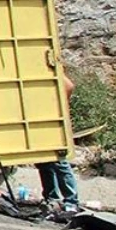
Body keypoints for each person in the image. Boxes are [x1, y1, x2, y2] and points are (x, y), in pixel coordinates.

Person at [38, 73, 80, 213]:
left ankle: (71, 201)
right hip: (43, 123)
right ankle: (52, 198)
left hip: (54, 125)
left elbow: (68, 86)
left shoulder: (57, 76)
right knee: (44, 162)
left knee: (59, 162)